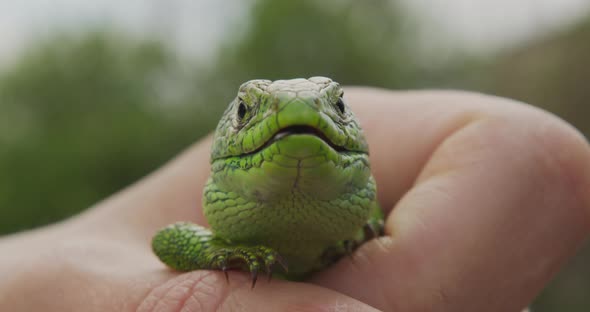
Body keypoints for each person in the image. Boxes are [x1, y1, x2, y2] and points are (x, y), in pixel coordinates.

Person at [0, 89, 589, 311]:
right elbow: (168, 240)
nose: (300, 116)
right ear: (224, 143)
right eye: (248, 110)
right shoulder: (213, 235)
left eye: (334, 107)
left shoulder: (371, 220)